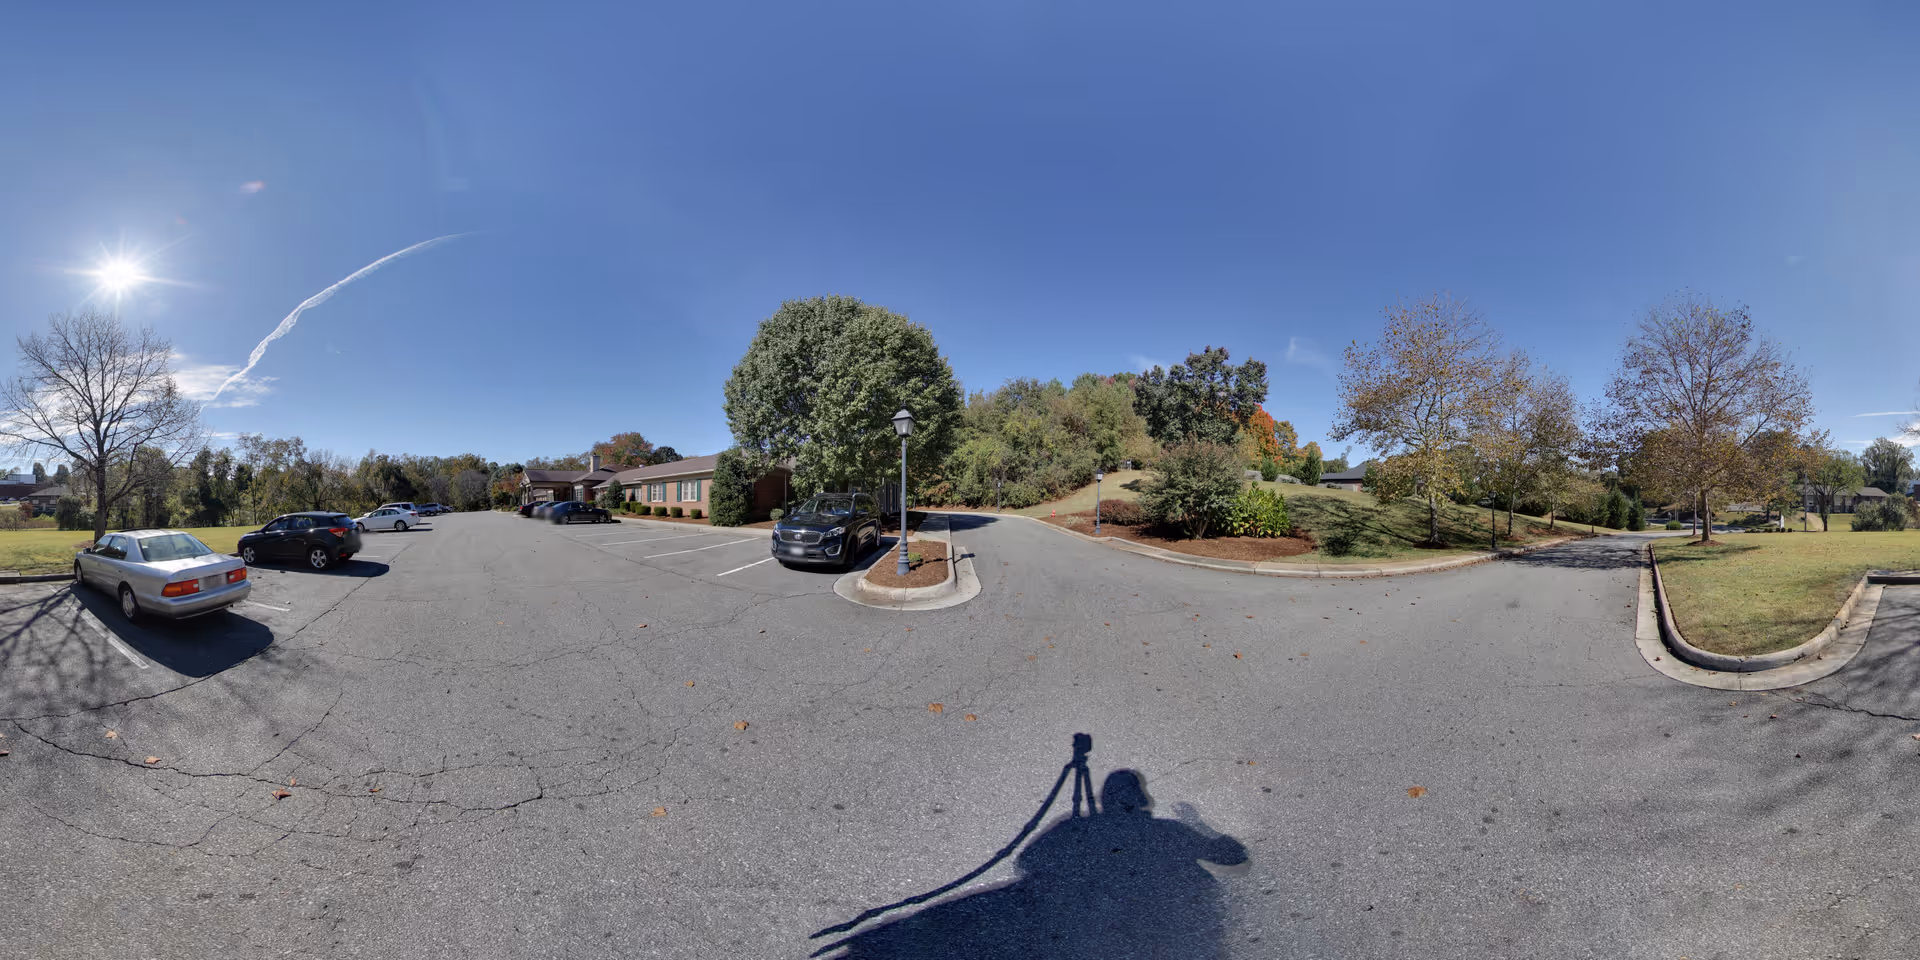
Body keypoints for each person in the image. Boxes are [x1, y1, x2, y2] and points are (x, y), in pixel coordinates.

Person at [826, 770, 1248, 959]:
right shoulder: (1173, 832)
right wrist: (1199, 824)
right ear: (1141, 800)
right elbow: (1232, 855)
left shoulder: (1074, 828)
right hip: (1169, 935)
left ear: (1108, 800)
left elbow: (1030, 862)